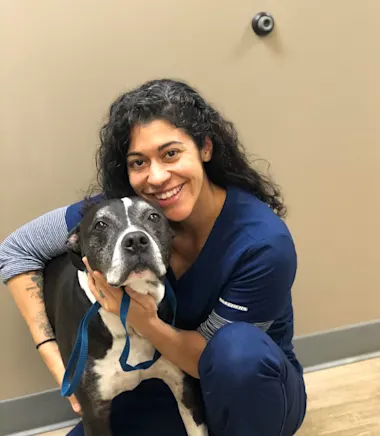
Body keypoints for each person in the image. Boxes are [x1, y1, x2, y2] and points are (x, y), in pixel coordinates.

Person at [0, 78, 307, 436]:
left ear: (205, 148)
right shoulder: (115, 216)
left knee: (235, 351)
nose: (157, 177)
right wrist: (52, 352)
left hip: (252, 391)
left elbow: (207, 359)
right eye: (138, 162)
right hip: (167, 382)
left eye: (171, 153)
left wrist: (141, 319)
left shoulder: (262, 243)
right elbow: (17, 250)